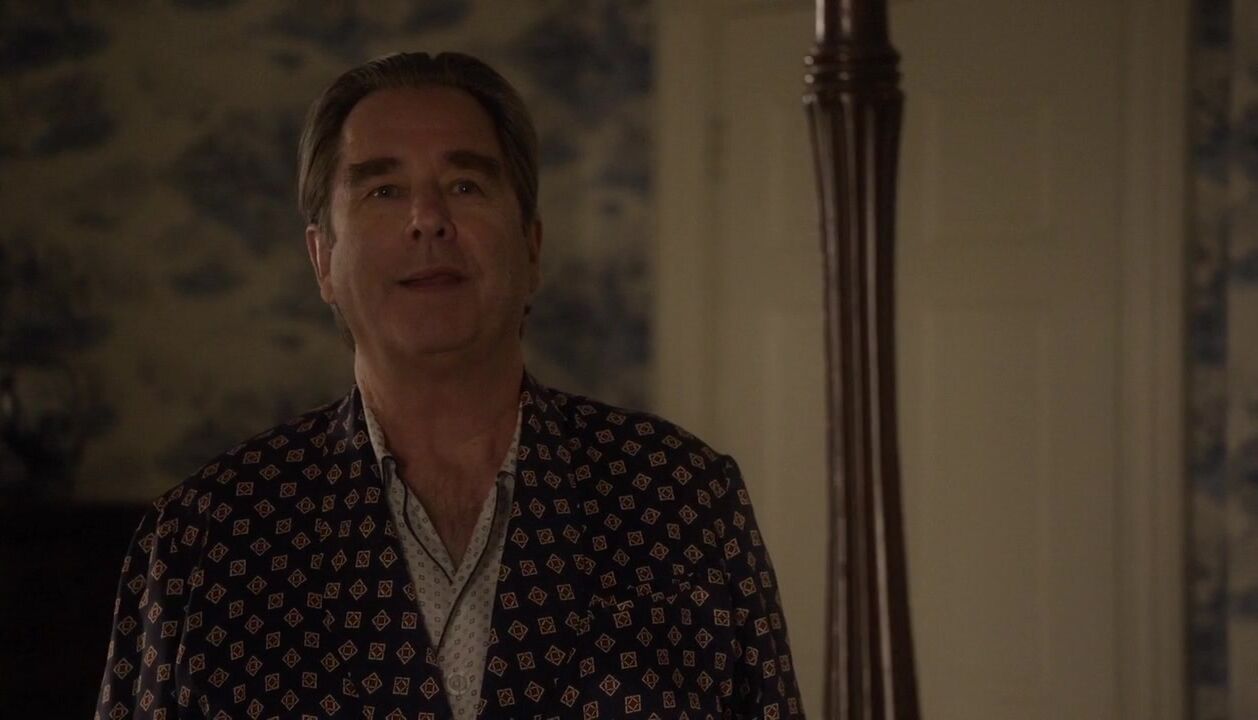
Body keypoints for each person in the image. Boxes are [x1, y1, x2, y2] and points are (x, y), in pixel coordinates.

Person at [95, 51, 803, 719]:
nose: (427, 220)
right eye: (383, 190)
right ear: (323, 261)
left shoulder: (681, 500)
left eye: (465, 186)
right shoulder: (206, 541)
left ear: (531, 246)